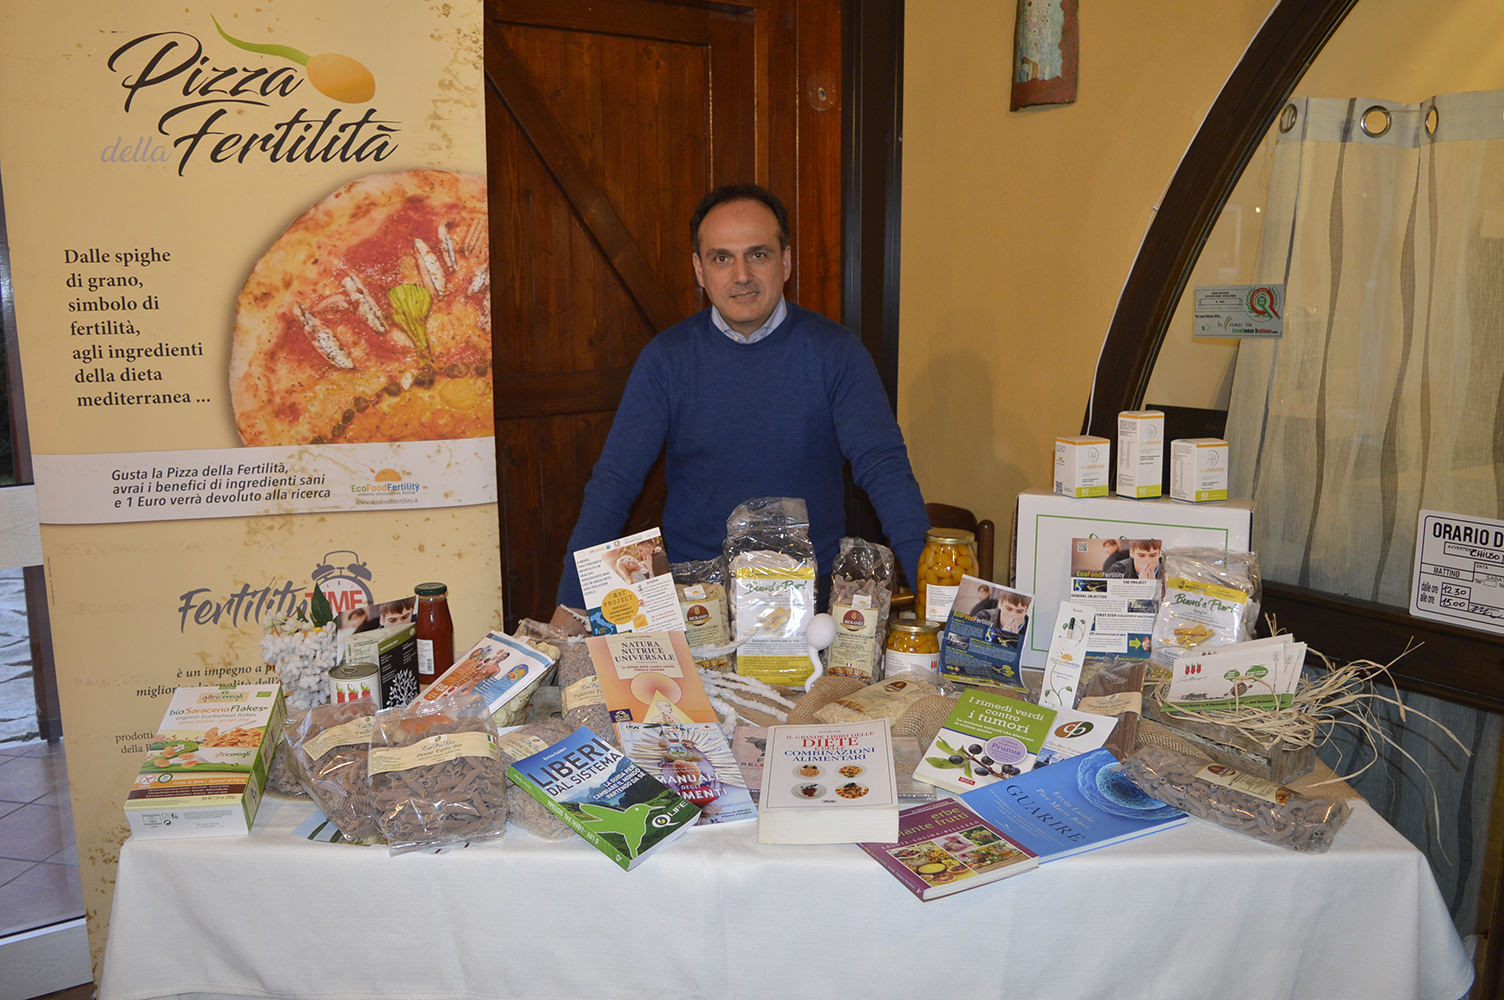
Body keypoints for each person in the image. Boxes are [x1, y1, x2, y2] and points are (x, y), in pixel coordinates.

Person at [557, 184, 929, 607]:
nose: (741, 276)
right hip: (698, 601)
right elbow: (614, 483)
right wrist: (569, 607)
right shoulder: (666, 359)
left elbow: (884, 470)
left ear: (785, 261)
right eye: (721, 258)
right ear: (699, 270)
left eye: (758, 254)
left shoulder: (837, 353)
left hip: (811, 599)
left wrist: (934, 597)